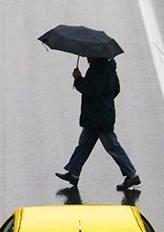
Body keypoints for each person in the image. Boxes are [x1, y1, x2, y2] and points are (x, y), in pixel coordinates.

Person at [56, 56, 140, 191]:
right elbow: (116, 89)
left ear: (96, 56)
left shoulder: (98, 71)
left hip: (99, 117)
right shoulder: (108, 69)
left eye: (89, 55)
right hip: (98, 115)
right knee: (84, 145)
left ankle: (132, 174)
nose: (86, 57)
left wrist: (78, 79)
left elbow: (91, 91)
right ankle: (73, 173)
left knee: (112, 146)